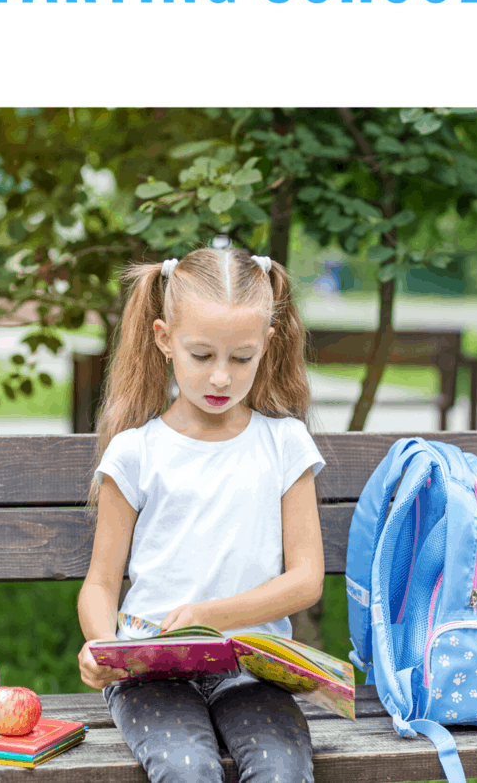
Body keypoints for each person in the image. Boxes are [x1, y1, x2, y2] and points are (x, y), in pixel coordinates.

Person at [77, 246, 326, 782]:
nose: (221, 378)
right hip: (152, 674)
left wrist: (213, 616)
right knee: (186, 769)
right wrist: (102, 646)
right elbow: (100, 584)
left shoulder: (285, 444)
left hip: (251, 670)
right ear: (165, 339)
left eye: (241, 358)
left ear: (267, 344)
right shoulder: (136, 452)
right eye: (202, 355)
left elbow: (306, 580)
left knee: (282, 769)